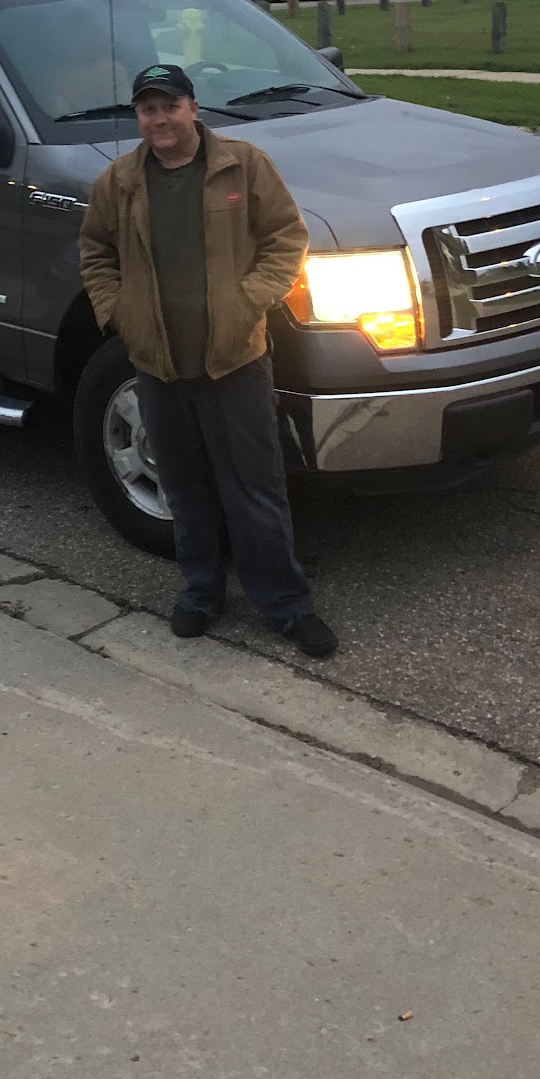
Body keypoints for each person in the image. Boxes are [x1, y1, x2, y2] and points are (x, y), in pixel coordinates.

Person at [79, 61, 338, 658]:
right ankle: (201, 591)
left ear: (193, 109)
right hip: (158, 363)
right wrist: (120, 314)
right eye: (148, 109)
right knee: (183, 486)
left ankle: (286, 605)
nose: (160, 119)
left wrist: (249, 302)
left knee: (256, 489)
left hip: (235, 360)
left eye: (170, 106)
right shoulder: (118, 182)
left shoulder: (242, 166)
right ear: (138, 117)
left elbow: (286, 239)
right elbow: (95, 251)